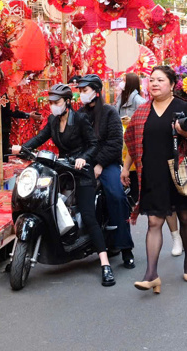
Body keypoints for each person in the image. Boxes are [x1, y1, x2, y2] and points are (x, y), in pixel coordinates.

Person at [12, 84, 116, 286]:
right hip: (61, 168)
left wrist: (83, 159)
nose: (53, 106)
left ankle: (104, 264)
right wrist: (22, 148)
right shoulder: (52, 120)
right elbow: (40, 138)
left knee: (88, 214)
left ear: (67, 102)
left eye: (57, 102)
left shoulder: (80, 119)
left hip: (81, 171)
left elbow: (93, 144)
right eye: (51, 102)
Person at [122, 66, 187, 294]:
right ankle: (151, 274)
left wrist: (185, 133)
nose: (154, 84)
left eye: (160, 80)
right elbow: (132, 142)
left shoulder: (185, 108)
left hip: (181, 173)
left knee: (185, 219)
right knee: (154, 223)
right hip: (152, 174)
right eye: (151, 80)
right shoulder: (142, 111)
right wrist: (126, 168)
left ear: (172, 84)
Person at [75, 74, 134, 269]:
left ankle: (126, 247)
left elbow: (116, 143)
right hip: (84, 164)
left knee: (116, 196)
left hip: (107, 164)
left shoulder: (110, 112)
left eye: (85, 91)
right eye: (80, 91)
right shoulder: (79, 114)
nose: (82, 95)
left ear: (96, 91)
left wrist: (100, 163)